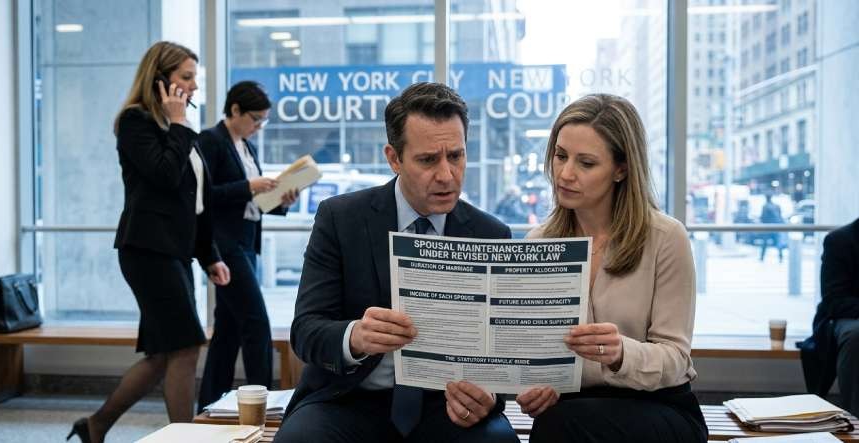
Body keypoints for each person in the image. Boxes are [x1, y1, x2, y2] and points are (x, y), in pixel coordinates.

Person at [274, 82, 519, 443]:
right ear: (394, 158)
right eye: (427, 160)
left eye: (456, 155)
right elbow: (306, 330)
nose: (447, 175)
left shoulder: (489, 234)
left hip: (447, 406)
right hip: (349, 399)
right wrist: (355, 337)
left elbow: (504, 352)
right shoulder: (341, 218)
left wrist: (489, 395)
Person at [515, 94, 707, 443]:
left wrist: (621, 352)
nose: (565, 173)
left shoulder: (665, 237)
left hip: (657, 405)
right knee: (556, 422)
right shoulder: (539, 241)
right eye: (560, 156)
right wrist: (537, 385)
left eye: (586, 163)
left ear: (621, 169)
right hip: (573, 407)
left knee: (560, 426)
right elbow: (535, 350)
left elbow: (676, 360)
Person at [68, 41, 231, 443]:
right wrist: (177, 124)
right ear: (161, 80)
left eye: (196, 78)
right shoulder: (135, 121)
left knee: (162, 355)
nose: (194, 87)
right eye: (186, 78)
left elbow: (195, 201)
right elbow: (163, 176)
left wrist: (209, 255)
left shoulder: (180, 126)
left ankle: (95, 426)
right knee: (188, 346)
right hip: (146, 251)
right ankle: (186, 438)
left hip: (174, 251)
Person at [197, 81, 298, 411]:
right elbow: (204, 195)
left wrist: (282, 200)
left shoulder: (245, 145)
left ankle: (210, 405)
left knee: (228, 330)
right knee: (256, 324)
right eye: (256, 118)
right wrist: (248, 185)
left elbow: (255, 200)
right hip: (224, 244)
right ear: (235, 110)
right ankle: (264, 406)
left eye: (264, 121)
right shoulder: (210, 141)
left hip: (245, 242)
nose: (259, 126)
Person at [804, 217, 859, 415]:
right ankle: (856, 421)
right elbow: (834, 300)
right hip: (849, 315)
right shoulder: (841, 240)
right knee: (856, 336)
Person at [759, 194, 786, 262]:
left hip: (768, 227)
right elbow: (780, 216)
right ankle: (780, 257)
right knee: (777, 242)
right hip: (776, 227)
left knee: (765, 243)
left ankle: (762, 257)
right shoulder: (776, 206)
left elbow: (763, 217)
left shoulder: (765, 206)